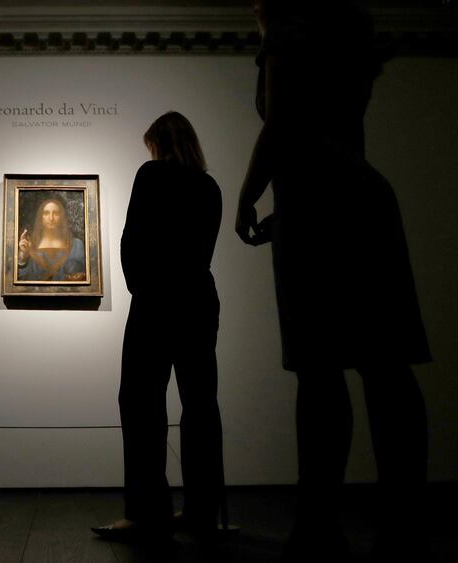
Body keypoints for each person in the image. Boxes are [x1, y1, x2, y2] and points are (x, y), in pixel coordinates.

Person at [235, 1, 431, 561]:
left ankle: (318, 526)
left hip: (317, 209)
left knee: (320, 374)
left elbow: (280, 122)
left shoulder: (288, 32)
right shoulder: (347, 35)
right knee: (385, 367)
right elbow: (337, 138)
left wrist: (250, 193)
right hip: (363, 198)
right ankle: (405, 526)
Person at [93, 111, 224, 549]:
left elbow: (132, 241)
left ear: (158, 143)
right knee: (201, 405)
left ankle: (147, 512)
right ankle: (205, 511)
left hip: (155, 301)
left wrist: (139, 287)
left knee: (140, 402)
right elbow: (202, 250)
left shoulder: (151, 174)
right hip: (198, 299)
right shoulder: (209, 187)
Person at [17, 197, 86, 281]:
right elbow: (22, 281)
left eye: (56, 213)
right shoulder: (30, 245)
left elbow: (84, 278)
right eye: (46, 213)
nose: (51, 218)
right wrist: (23, 257)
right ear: (40, 217)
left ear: (62, 217)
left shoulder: (77, 245)